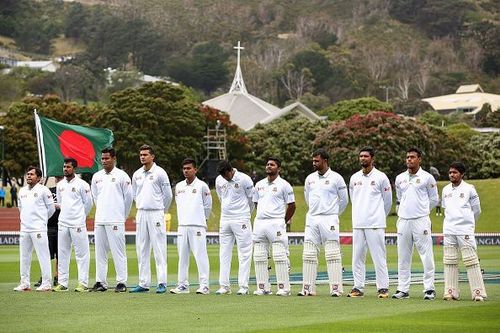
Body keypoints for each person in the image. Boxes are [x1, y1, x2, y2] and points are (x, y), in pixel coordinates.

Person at [298, 149, 348, 297]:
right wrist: (316, 211)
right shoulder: (309, 179)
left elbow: (344, 200)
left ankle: (336, 289)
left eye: (316, 161)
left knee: (332, 253)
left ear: (325, 161)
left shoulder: (336, 178)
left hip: (329, 218)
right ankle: (308, 288)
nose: (314, 163)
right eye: (313, 161)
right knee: (309, 253)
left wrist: (332, 213)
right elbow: (308, 198)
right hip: (312, 218)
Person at [392, 147, 439, 300]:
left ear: (419, 159)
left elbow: (434, 199)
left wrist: (422, 211)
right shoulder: (400, 178)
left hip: (421, 220)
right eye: (407, 157)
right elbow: (399, 197)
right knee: (403, 256)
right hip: (404, 221)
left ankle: (429, 289)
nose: (409, 160)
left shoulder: (427, 178)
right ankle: (403, 289)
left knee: (426, 255)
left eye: (412, 157)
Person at [347, 147, 392, 298]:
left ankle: (383, 288)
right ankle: (358, 287)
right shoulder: (354, 178)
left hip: (375, 223)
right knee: (357, 257)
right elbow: (353, 198)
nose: (362, 159)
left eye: (366, 156)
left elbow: (388, 201)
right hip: (358, 223)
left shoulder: (381, 177)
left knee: (379, 256)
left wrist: (378, 216)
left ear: (372, 158)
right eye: (361, 156)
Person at [130, 145, 172, 294]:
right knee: (142, 248)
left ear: (152, 156)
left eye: (146, 154)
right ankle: (143, 283)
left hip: (156, 213)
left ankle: (162, 282)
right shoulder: (136, 174)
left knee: (159, 248)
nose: (142, 157)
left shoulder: (160, 173)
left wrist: (161, 210)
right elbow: (134, 194)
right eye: (141, 154)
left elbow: (168, 196)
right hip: (141, 213)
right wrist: (142, 205)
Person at [441, 161, 487, 302]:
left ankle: (478, 293)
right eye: (450, 172)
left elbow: (477, 210)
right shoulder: (445, 190)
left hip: (464, 229)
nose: (451, 175)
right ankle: (450, 292)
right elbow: (445, 209)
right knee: (449, 260)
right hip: (449, 229)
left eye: (454, 172)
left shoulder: (469, 189)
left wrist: (469, 225)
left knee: (471, 260)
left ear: (462, 174)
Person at [90, 147, 133, 292]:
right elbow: (95, 197)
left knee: (118, 252)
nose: (104, 161)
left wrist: (122, 216)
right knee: (100, 252)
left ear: (114, 159)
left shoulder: (122, 176)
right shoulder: (96, 176)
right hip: (100, 219)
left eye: (107, 158)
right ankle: (100, 282)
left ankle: (121, 282)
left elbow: (128, 198)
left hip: (116, 219)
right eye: (102, 158)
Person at [253, 157, 296, 296]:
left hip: (276, 222)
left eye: (272, 165)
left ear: (279, 168)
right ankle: (263, 287)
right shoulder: (259, 184)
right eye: (267, 164)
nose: (268, 166)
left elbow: (292, 205)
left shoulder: (284, 185)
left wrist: (283, 221)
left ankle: (284, 288)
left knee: (279, 255)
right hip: (260, 222)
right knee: (259, 255)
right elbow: (256, 203)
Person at [170, 158, 212, 295]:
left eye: (189, 168)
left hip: (197, 225)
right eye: (184, 169)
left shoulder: (202, 186)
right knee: (182, 256)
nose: (186, 171)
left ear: (195, 169)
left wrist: (201, 220)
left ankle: (204, 285)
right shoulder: (179, 187)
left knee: (200, 255)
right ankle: (182, 285)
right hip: (182, 226)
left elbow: (208, 206)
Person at [52, 158, 93, 292]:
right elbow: (61, 202)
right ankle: (62, 283)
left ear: (74, 168)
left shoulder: (83, 184)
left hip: (77, 223)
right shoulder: (60, 185)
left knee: (81, 254)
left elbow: (88, 204)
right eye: (64, 167)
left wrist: (81, 217)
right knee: (62, 254)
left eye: (68, 167)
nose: (65, 169)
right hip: (63, 223)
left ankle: (83, 283)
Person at [214, 160, 254, 295]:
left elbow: (251, 200)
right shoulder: (219, 180)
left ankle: (243, 286)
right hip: (225, 219)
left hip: (241, 218)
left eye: (226, 175)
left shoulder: (245, 179)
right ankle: (224, 286)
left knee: (244, 253)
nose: (224, 178)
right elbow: (221, 198)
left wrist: (245, 214)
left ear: (231, 170)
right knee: (224, 252)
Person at [14, 166, 55, 292]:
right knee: (24, 256)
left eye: (32, 174)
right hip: (25, 228)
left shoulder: (44, 190)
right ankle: (24, 283)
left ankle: (47, 283)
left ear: (38, 178)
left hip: (38, 229)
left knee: (43, 255)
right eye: (28, 174)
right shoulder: (22, 191)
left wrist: (41, 221)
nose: (29, 176)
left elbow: (51, 209)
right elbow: (21, 208)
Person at [34, 175, 63, 288]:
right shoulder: (49, 190)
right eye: (57, 178)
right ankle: (45, 277)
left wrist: (59, 205)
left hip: (62, 226)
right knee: (46, 254)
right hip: (49, 226)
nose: (58, 180)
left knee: (60, 255)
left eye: (60, 178)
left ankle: (58, 277)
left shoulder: (66, 191)